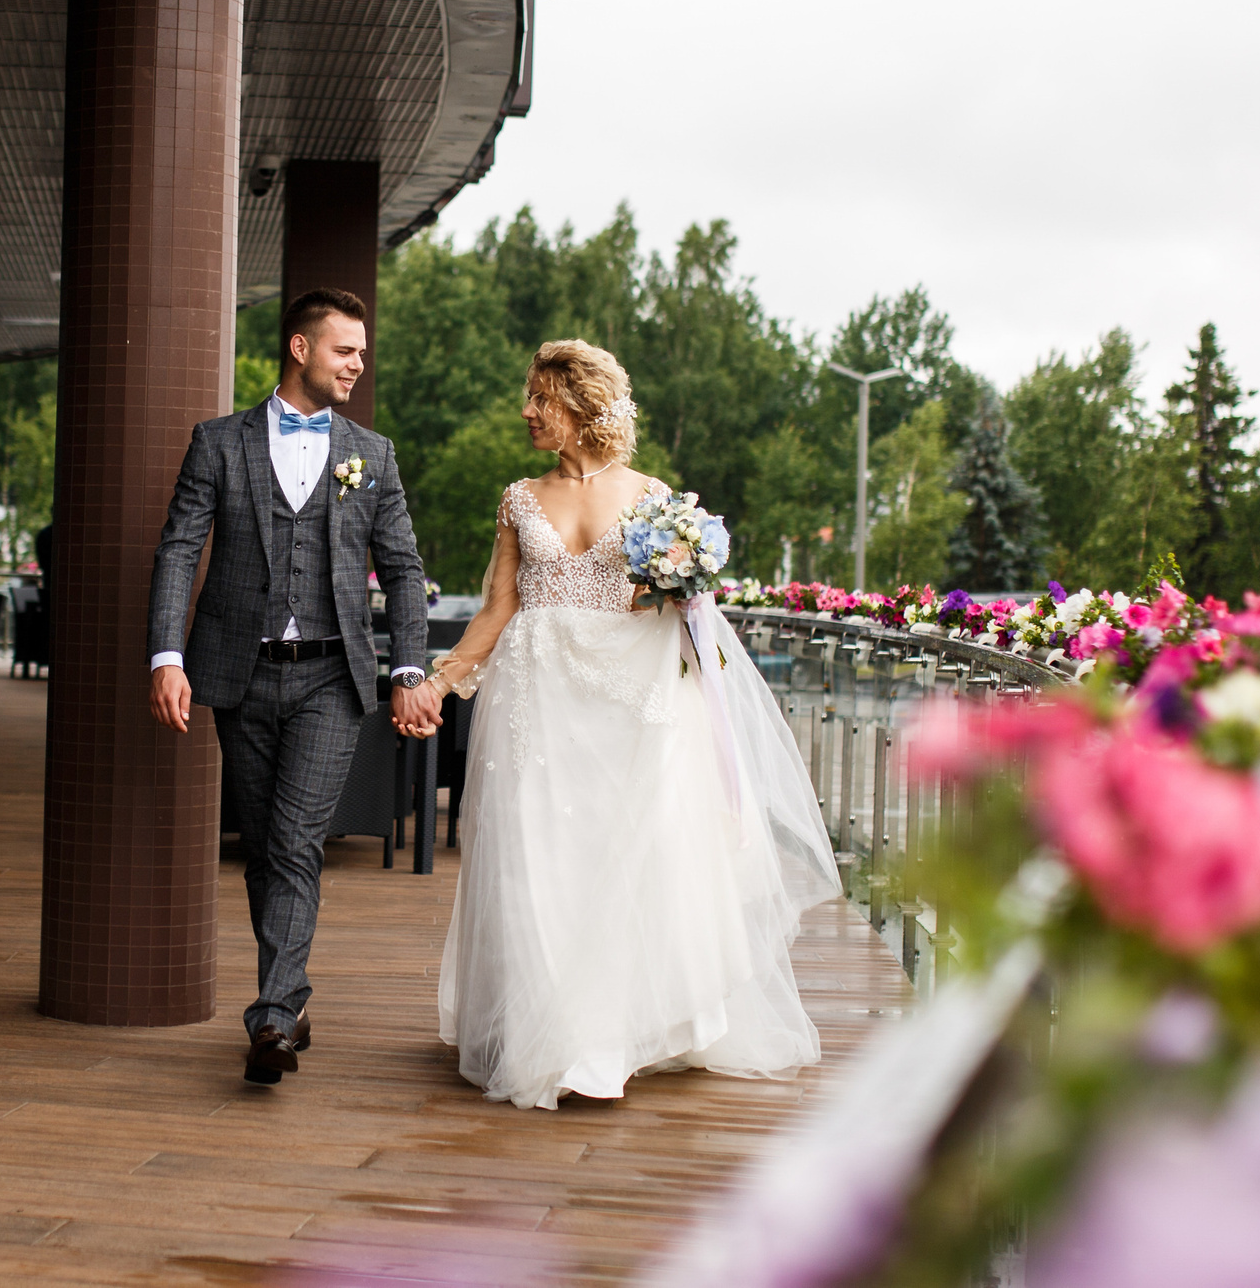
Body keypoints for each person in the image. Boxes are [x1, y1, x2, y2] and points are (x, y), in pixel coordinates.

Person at [417, 340, 841, 1110]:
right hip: (538, 698)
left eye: (540, 397)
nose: (527, 411)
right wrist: (440, 680)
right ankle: (553, 1032)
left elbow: (676, 606)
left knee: (629, 858)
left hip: (634, 699)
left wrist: (676, 591)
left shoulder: (653, 496)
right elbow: (498, 608)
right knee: (537, 856)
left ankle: (610, 1035)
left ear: (581, 406)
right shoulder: (518, 496)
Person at [145, 288, 434, 1087]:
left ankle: (271, 1015)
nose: (358, 364)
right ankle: (288, 1001)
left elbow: (405, 571)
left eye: (362, 351)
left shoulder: (372, 455)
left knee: (297, 840)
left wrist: (408, 666)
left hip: (331, 681)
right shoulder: (217, 443)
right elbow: (178, 550)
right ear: (301, 349)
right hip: (239, 673)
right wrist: (167, 654)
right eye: (346, 350)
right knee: (265, 851)